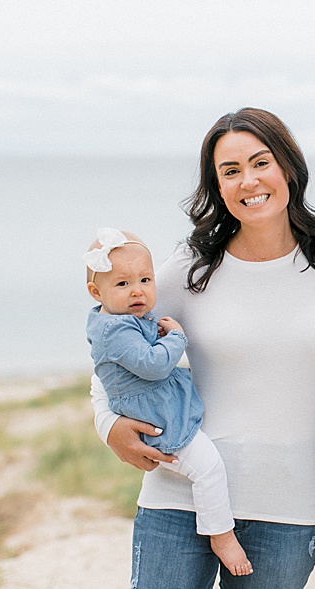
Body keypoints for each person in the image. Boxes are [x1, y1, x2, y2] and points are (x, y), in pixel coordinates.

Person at [92, 108, 315, 588]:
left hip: (286, 510)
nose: (248, 181)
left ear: (288, 167)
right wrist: (108, 425)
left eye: (261, 162)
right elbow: (112, 347)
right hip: (178, 496)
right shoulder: (193, 266)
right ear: (219, 187)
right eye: (230, 171)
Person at [84, 227, 252, 577]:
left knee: (204, 467)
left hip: (158, 409)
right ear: (96, 292)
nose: (137, 291)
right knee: (208, 469)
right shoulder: (115, 331)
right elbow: (154, 365)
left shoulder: (119, 320)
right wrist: (176, 337)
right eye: (122, 283)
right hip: (158, 420)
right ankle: (221, 535)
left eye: (145, 280)